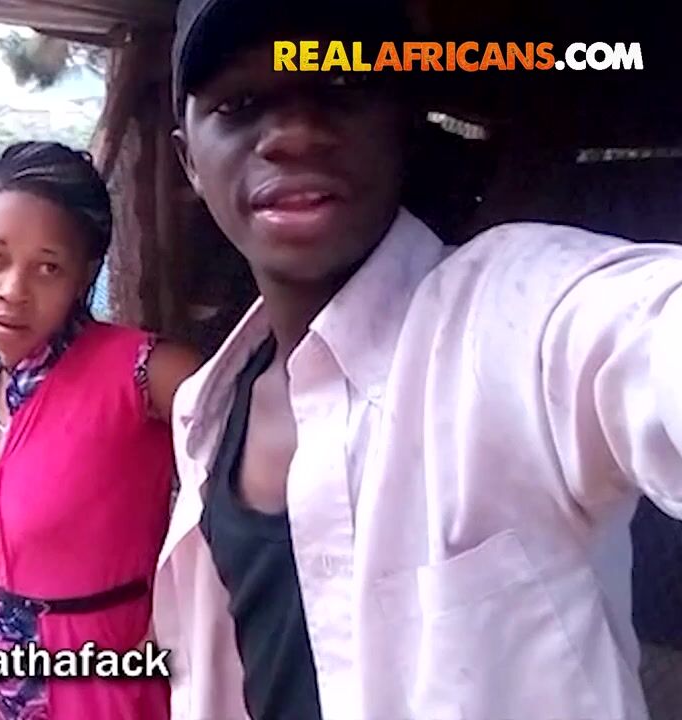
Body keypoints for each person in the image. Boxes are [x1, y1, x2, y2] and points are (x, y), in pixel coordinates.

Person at [153, 1, 682, 719]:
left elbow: (646, 333)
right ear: (189, 159)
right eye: (240, 104)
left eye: (340, 86)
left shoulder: (510, 318)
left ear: (402, 122)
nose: (294, 134)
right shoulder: (207, 411)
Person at [0, 141, 201, 720]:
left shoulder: (143, 374)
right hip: (6, 684)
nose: (13, 289)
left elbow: (259, 458)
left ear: (84, 275)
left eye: (48, 267)